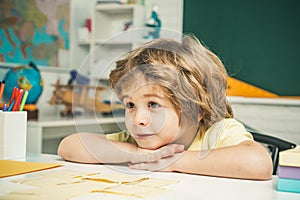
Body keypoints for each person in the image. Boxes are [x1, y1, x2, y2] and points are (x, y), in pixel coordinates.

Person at [58, 34, 273, 180]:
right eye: (130, 105)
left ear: (197, 110)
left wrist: (173, 161)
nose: (137, 119)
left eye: (153, 104)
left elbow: (259, 163)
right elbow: (69, 146)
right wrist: (139, 155)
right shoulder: (140, 142)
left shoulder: (218, 133)